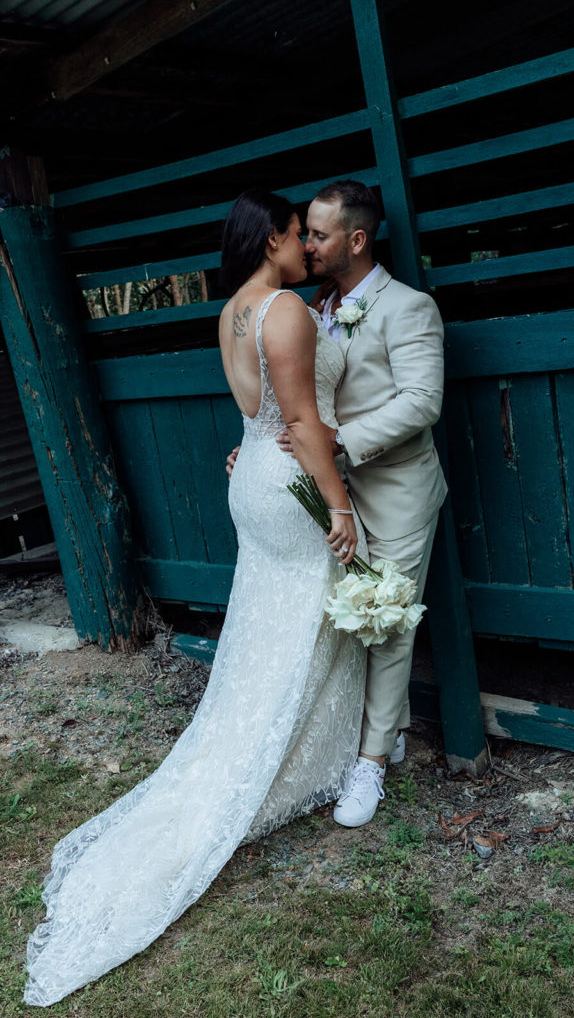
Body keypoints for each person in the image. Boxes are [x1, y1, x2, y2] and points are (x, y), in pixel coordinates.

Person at [23, 189, 366, 1007]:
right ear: (272, 238)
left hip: (248, 478)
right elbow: (300, 420)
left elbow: (252, 415)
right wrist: (341, 506)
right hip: (289, 488)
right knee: (300, 629)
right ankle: (283, 765)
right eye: (295, 235)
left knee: (269, 630)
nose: (305, 248)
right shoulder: (283, 309)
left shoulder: (232, 313)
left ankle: (278, 749)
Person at [229, 180, 447, 828]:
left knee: (389, 623)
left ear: (356, 239)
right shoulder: (308, 305)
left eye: (318, 235)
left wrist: (337, 441)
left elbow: (420, 402)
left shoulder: (409, 308)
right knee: (347, 624)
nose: (309, 245)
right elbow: (287, 397)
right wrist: (263, 448)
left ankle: (371, 764)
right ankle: (378, 735)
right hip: (329, 493)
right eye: (304, 233)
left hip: (397, 489)